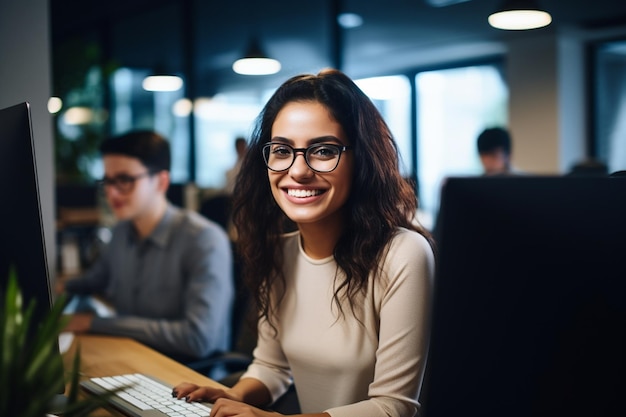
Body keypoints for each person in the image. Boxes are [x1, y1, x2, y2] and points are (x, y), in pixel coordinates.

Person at [173, 69, 436, 417]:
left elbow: (393, 407)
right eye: (282, 150)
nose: (298, 170)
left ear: (361, 160)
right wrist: (231, 396)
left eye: (323, 150)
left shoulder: (404, 254)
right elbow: (272, 367)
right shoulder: (278, 252)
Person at [58, 130, 234, 362]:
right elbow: (94, 280)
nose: (111, 193)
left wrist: (94, 322)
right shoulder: (122, 231)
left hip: (188, 373)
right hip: (133, 357)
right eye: (108, 181)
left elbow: (198, 338)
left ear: (161, 182)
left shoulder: (203, 239)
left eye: (124, 180)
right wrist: (57, 286)